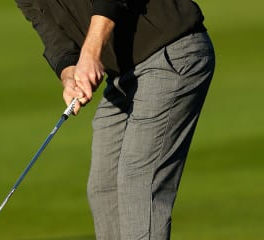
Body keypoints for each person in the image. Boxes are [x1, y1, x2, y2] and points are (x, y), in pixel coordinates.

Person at [15, 0, 215, 239]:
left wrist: (90, 53)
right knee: (104, 187)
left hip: (170, 50)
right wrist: (68, 72)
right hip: (123, 77)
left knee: (138, 181)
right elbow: (49, 30)